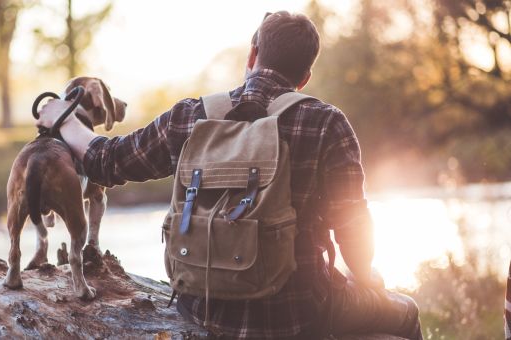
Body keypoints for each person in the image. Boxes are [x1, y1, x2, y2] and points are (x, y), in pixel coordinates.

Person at [37, 11, 423, 340]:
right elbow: (352, 227)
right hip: (301, 313)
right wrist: (367, 278)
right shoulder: (326, 123)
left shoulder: (192, 117)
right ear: (304, 77)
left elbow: (108, 160)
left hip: (204, 308)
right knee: (406, 311)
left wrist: (61, 116)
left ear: (252, 54)